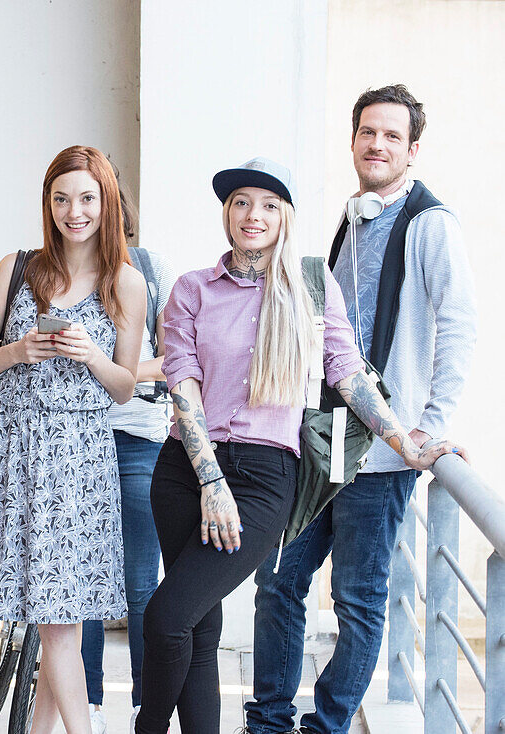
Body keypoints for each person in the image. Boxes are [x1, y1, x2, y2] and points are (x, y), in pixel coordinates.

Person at [134, 157, 467, 734]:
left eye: (267, 206)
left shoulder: (312, 289)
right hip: (186, 469)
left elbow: (348, 372)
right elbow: (183, 384)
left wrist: (406, 444)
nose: (252, 216)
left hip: (266, 478)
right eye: (241, 203)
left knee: (166, 616)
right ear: (227, 213)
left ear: (285, 217)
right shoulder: (192, 289)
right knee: (197, 625)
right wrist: (209, 479)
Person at [244, 87, 478, 734]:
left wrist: (431, 424)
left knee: (357, 599)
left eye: (391, 136)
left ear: (412, 149)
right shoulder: (354, 218)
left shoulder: (432, 223)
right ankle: (267, 721)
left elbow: (460, 324)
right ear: (353, 141)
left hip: (384, 453)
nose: (377, 145)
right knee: (279, 581)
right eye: (367, 133)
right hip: (325, 442)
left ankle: (327, 725)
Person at [0, 145, 147, 734]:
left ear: (107, 203)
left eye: (87, 198)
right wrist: (19, 352)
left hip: (77, 466)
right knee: (45, 621)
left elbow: (124, 386)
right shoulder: (17, 268)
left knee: (58, 624)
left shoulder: (126, 282)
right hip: (14, 459)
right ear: (48, 204)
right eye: (61, 198)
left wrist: (90, 355)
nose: (74, 211)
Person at [81, 177, 176, 734]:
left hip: (139, 438)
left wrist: (113, 372)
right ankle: (87, 704)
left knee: (141, 582)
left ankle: (147, 709)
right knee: (82, 581)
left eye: (96, 200)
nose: (84, 213)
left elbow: (177, 356)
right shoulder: (53, 273)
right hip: (75, 442)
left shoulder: (146, 268)